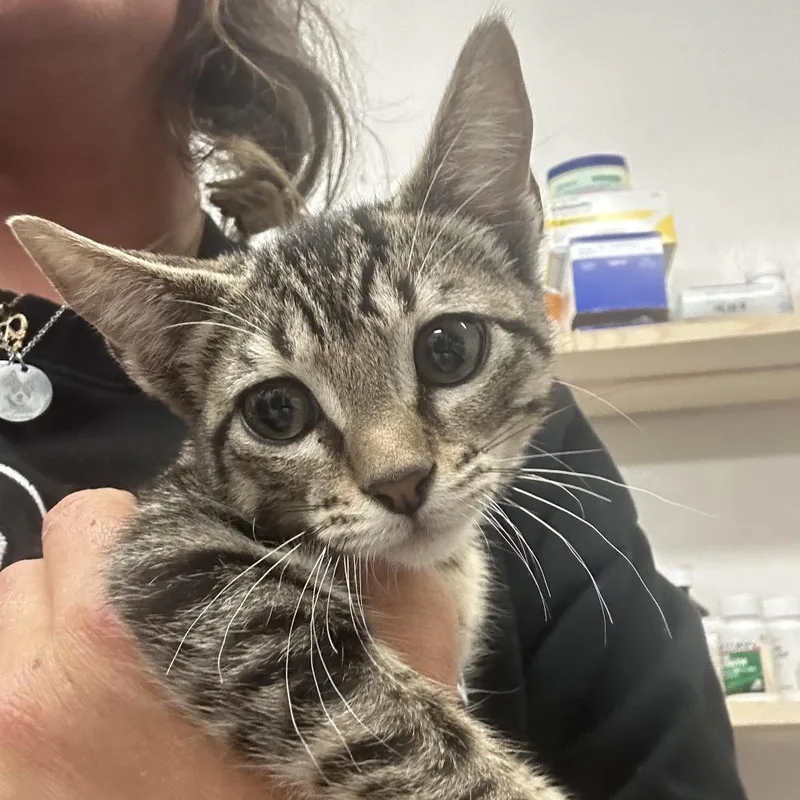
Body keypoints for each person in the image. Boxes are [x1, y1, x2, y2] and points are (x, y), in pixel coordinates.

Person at [0, 2, 746, 798]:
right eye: (280, 411)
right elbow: (172, 573)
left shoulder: (555, 464)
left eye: (447, 351)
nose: (395, 468)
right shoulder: (207, 371)